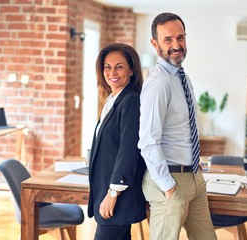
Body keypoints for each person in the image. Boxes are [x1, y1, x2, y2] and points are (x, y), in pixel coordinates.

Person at [138, 13, 217, 240]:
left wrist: (196, 174)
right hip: (170, 180)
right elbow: (148, 141)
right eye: (168, 39)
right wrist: (169, 188)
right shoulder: (159, 83)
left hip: (193, 177)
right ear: (155, 44)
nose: (176, 45)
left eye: (180, 38)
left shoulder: (181, 77)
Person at [88, 43, 147, 240]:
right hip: (110, 192)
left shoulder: (131, 100)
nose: (112, 72)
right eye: (107, 66)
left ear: (131, 70)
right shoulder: (113, 99)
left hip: (118, 196)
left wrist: (112, 194)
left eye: (119, 66)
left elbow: (128, 150)